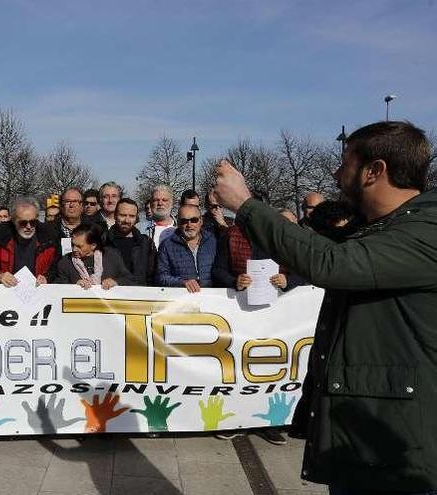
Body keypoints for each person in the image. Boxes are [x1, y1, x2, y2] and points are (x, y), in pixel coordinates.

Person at [212, 121, 437, 494]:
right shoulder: (383, 226)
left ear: (374, 170)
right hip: (365, 433)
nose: (336, 173)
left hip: (399, 447)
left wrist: (246, 205)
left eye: (344, 162)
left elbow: (330, 263)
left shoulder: (423, 232)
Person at [0, 196, 59, 286]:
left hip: (39, 292)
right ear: (14, 220)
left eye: (33, 222)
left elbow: (57, 267)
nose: (29, 226)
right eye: (23, 223)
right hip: (6, 292)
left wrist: (47, 278)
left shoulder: (49, 236)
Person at [155, 204, 216, 293]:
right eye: (184, 221)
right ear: (178, 223)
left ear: (201, 221)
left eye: (194, 220)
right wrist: (182, 283)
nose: (189, 225)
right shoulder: (166, 245)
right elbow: (161, 277)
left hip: (212, 298)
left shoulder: (212, 241)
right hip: (182, 299)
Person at [54, 223, 131, 289]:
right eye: (73, 244)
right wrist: (74, 286)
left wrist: (115, 282)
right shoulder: (65, 262)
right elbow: (57, 286)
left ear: (93, 245)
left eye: (79, 246)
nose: (74, 249)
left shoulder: (112, 256)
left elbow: (129, 279)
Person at [106, 198, 156, 286]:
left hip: (139, 296)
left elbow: (152, 276)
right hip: (108, 296)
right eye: (123, 215)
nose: (127, 220)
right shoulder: (103, 241)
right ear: (115, 215)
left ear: (136, 218)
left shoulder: (146, 244)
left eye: (132, 216)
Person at [145, 184, 176, 248]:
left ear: (172, 203)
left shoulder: (182, 227)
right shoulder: (141, 230)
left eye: (164, 200)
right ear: (151, 204)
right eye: (156, 200)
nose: (160, 203)